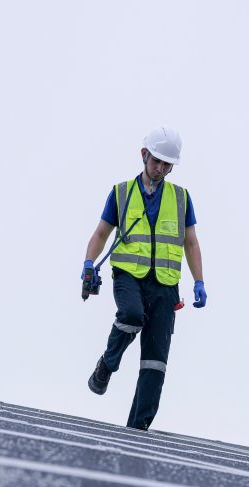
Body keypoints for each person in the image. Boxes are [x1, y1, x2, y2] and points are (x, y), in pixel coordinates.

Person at [81, 125, 206, 431]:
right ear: (144, 155)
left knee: (155, 363)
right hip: (128, 276)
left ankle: (136, 433)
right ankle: (107, 366)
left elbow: (191, 242)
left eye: (167, 164)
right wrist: (88, 263)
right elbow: (100, 233)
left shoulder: (181, 198)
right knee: (131, 315)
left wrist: (199, 281)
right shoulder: (121, 192)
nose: (161, 168)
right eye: (156, 161)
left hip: (165, 286)